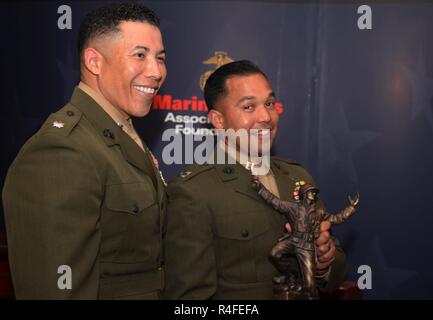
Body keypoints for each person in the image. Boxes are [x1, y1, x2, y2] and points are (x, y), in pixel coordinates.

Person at [2, 3, 167, 299]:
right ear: (94, 61)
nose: (156, 71)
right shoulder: (62, 150)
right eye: (140, 55)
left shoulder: (120, 133)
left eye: (160, 58)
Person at [163, 60, 347, 299]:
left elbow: (337, 273)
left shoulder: (298, 178)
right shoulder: (194, 192)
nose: (266, 116)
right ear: (218, 121)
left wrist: (323, 262)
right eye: (249, 107)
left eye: (269, 103)